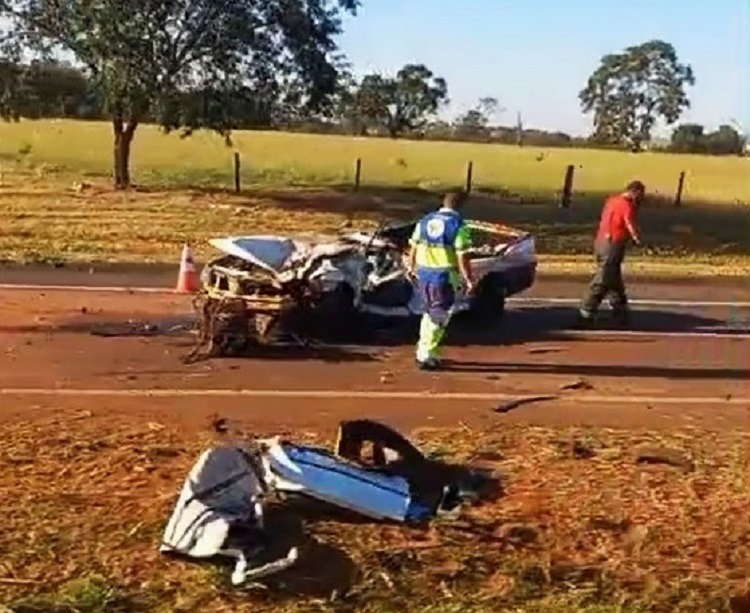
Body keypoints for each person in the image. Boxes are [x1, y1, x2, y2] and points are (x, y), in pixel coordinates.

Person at [406, 190, 474, 370]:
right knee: (439, 314)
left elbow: (413, 244)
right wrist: (468, 279)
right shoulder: (458, 225)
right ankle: (427, 355)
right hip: (443, 275)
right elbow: (462, 256)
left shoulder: (425, 220)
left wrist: (410, 266)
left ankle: (424, 350)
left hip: (424, 272)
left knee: (429, 311)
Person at [578, 180, 645, 326]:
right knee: (603, 278)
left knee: (613, 278)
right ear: (636, 192)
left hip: (601, 241)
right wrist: (637, 238)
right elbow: (629, 222)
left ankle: (620, 312)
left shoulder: (612, 201)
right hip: (613, 244)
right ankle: (586, 311)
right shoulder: (627, 205)